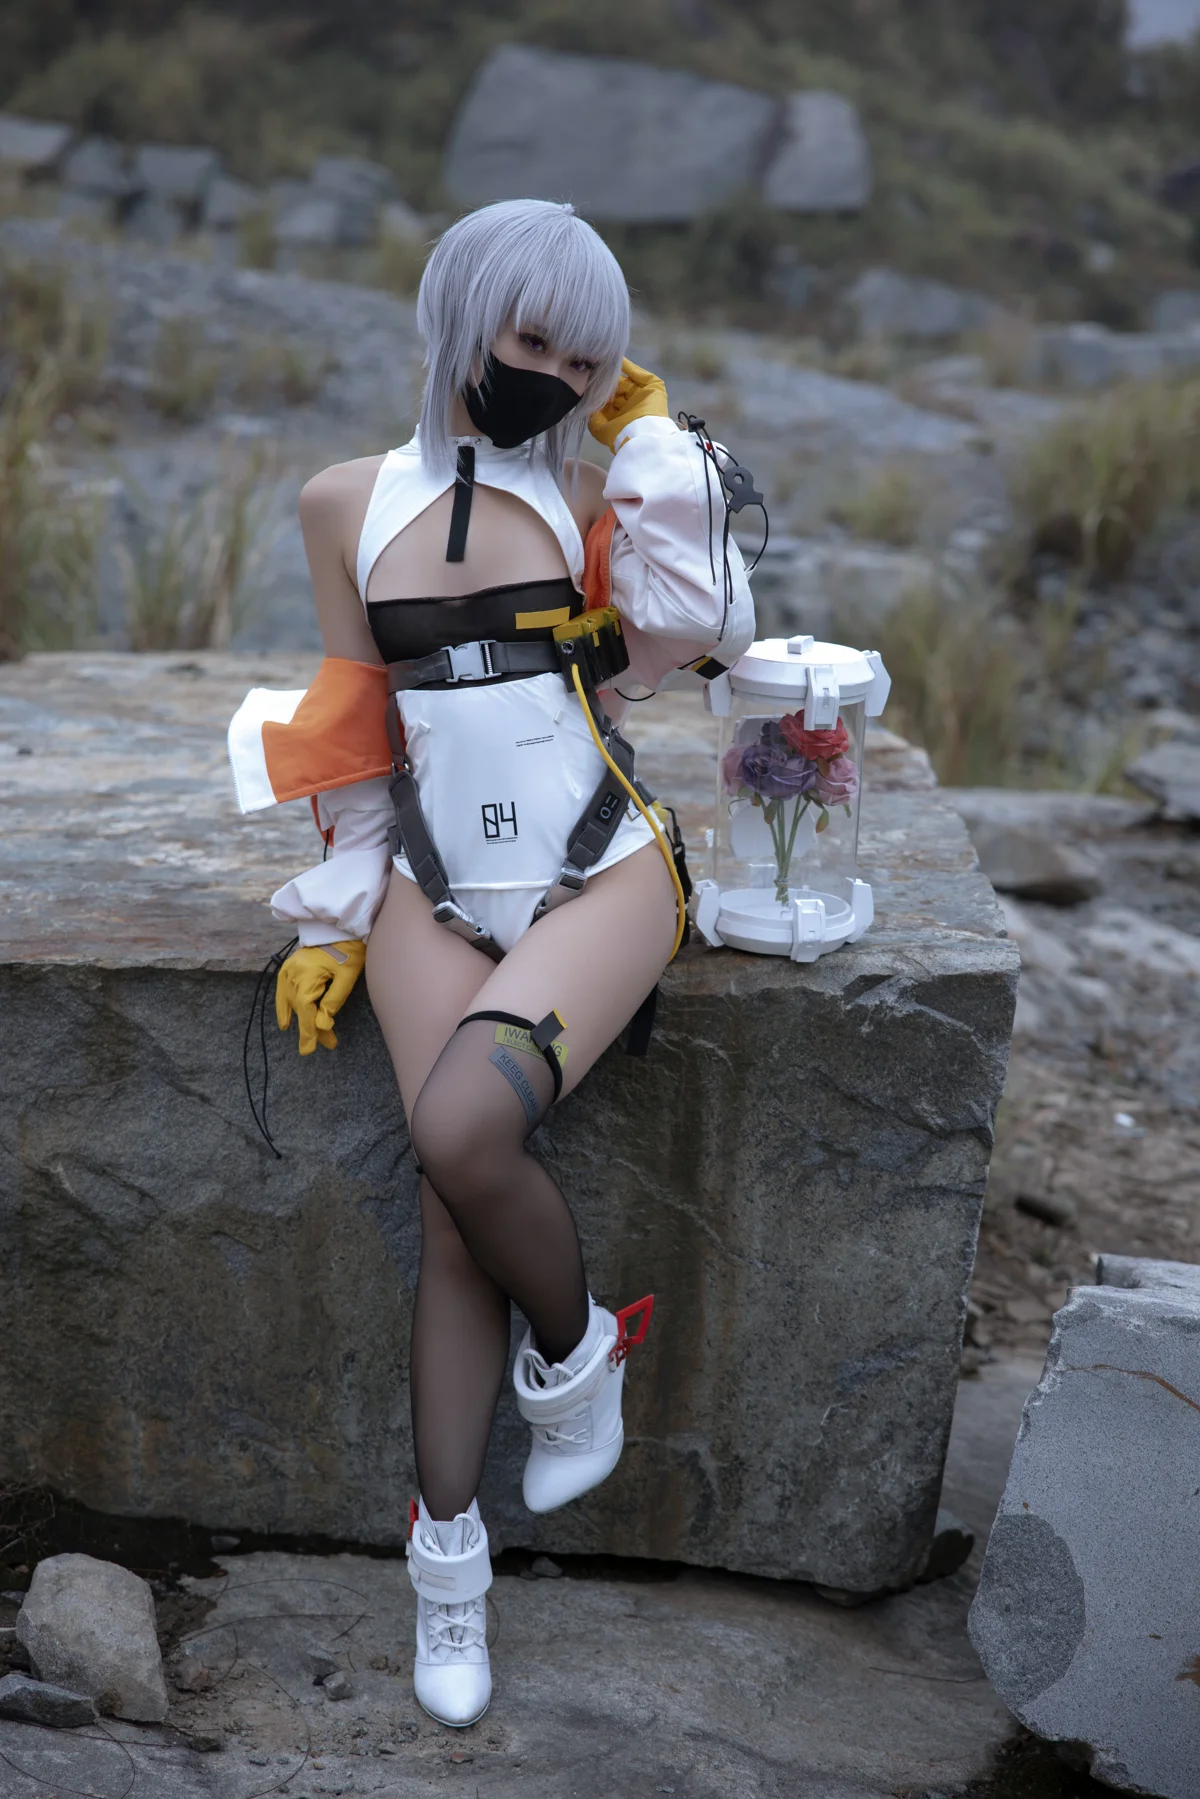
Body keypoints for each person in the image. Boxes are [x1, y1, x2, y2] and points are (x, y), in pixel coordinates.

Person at [227, 197, 754, 1728]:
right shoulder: (342, 501)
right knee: (458, 1211)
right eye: (536, 342)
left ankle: (579, 1355)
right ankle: (448, 1566)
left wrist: (655, 447)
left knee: (462, 1129)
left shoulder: (599, 490)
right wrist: (338, 911)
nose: (559, 378)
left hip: (602, 867)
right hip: (432, 882)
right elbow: (352, 717)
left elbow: (707, 621)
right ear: (462, 318)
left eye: (589, 360)